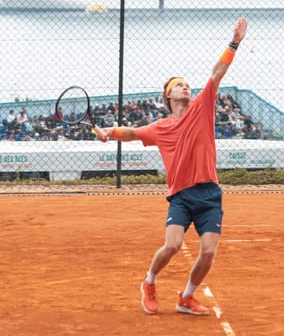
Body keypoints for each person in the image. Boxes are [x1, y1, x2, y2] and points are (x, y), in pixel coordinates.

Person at [95, 17, 248, 316]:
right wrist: (109, 132)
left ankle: (186, 297)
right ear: (169, 95)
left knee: (208, 251)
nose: (186, 87)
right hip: (181, 196)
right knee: (172, 246)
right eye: (179, 85)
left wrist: (234, 43)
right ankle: (149, 282)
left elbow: (217, 73)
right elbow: (132, 133)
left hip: (209, 193)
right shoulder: (160, 128)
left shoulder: (202, 107)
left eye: (187, 85)